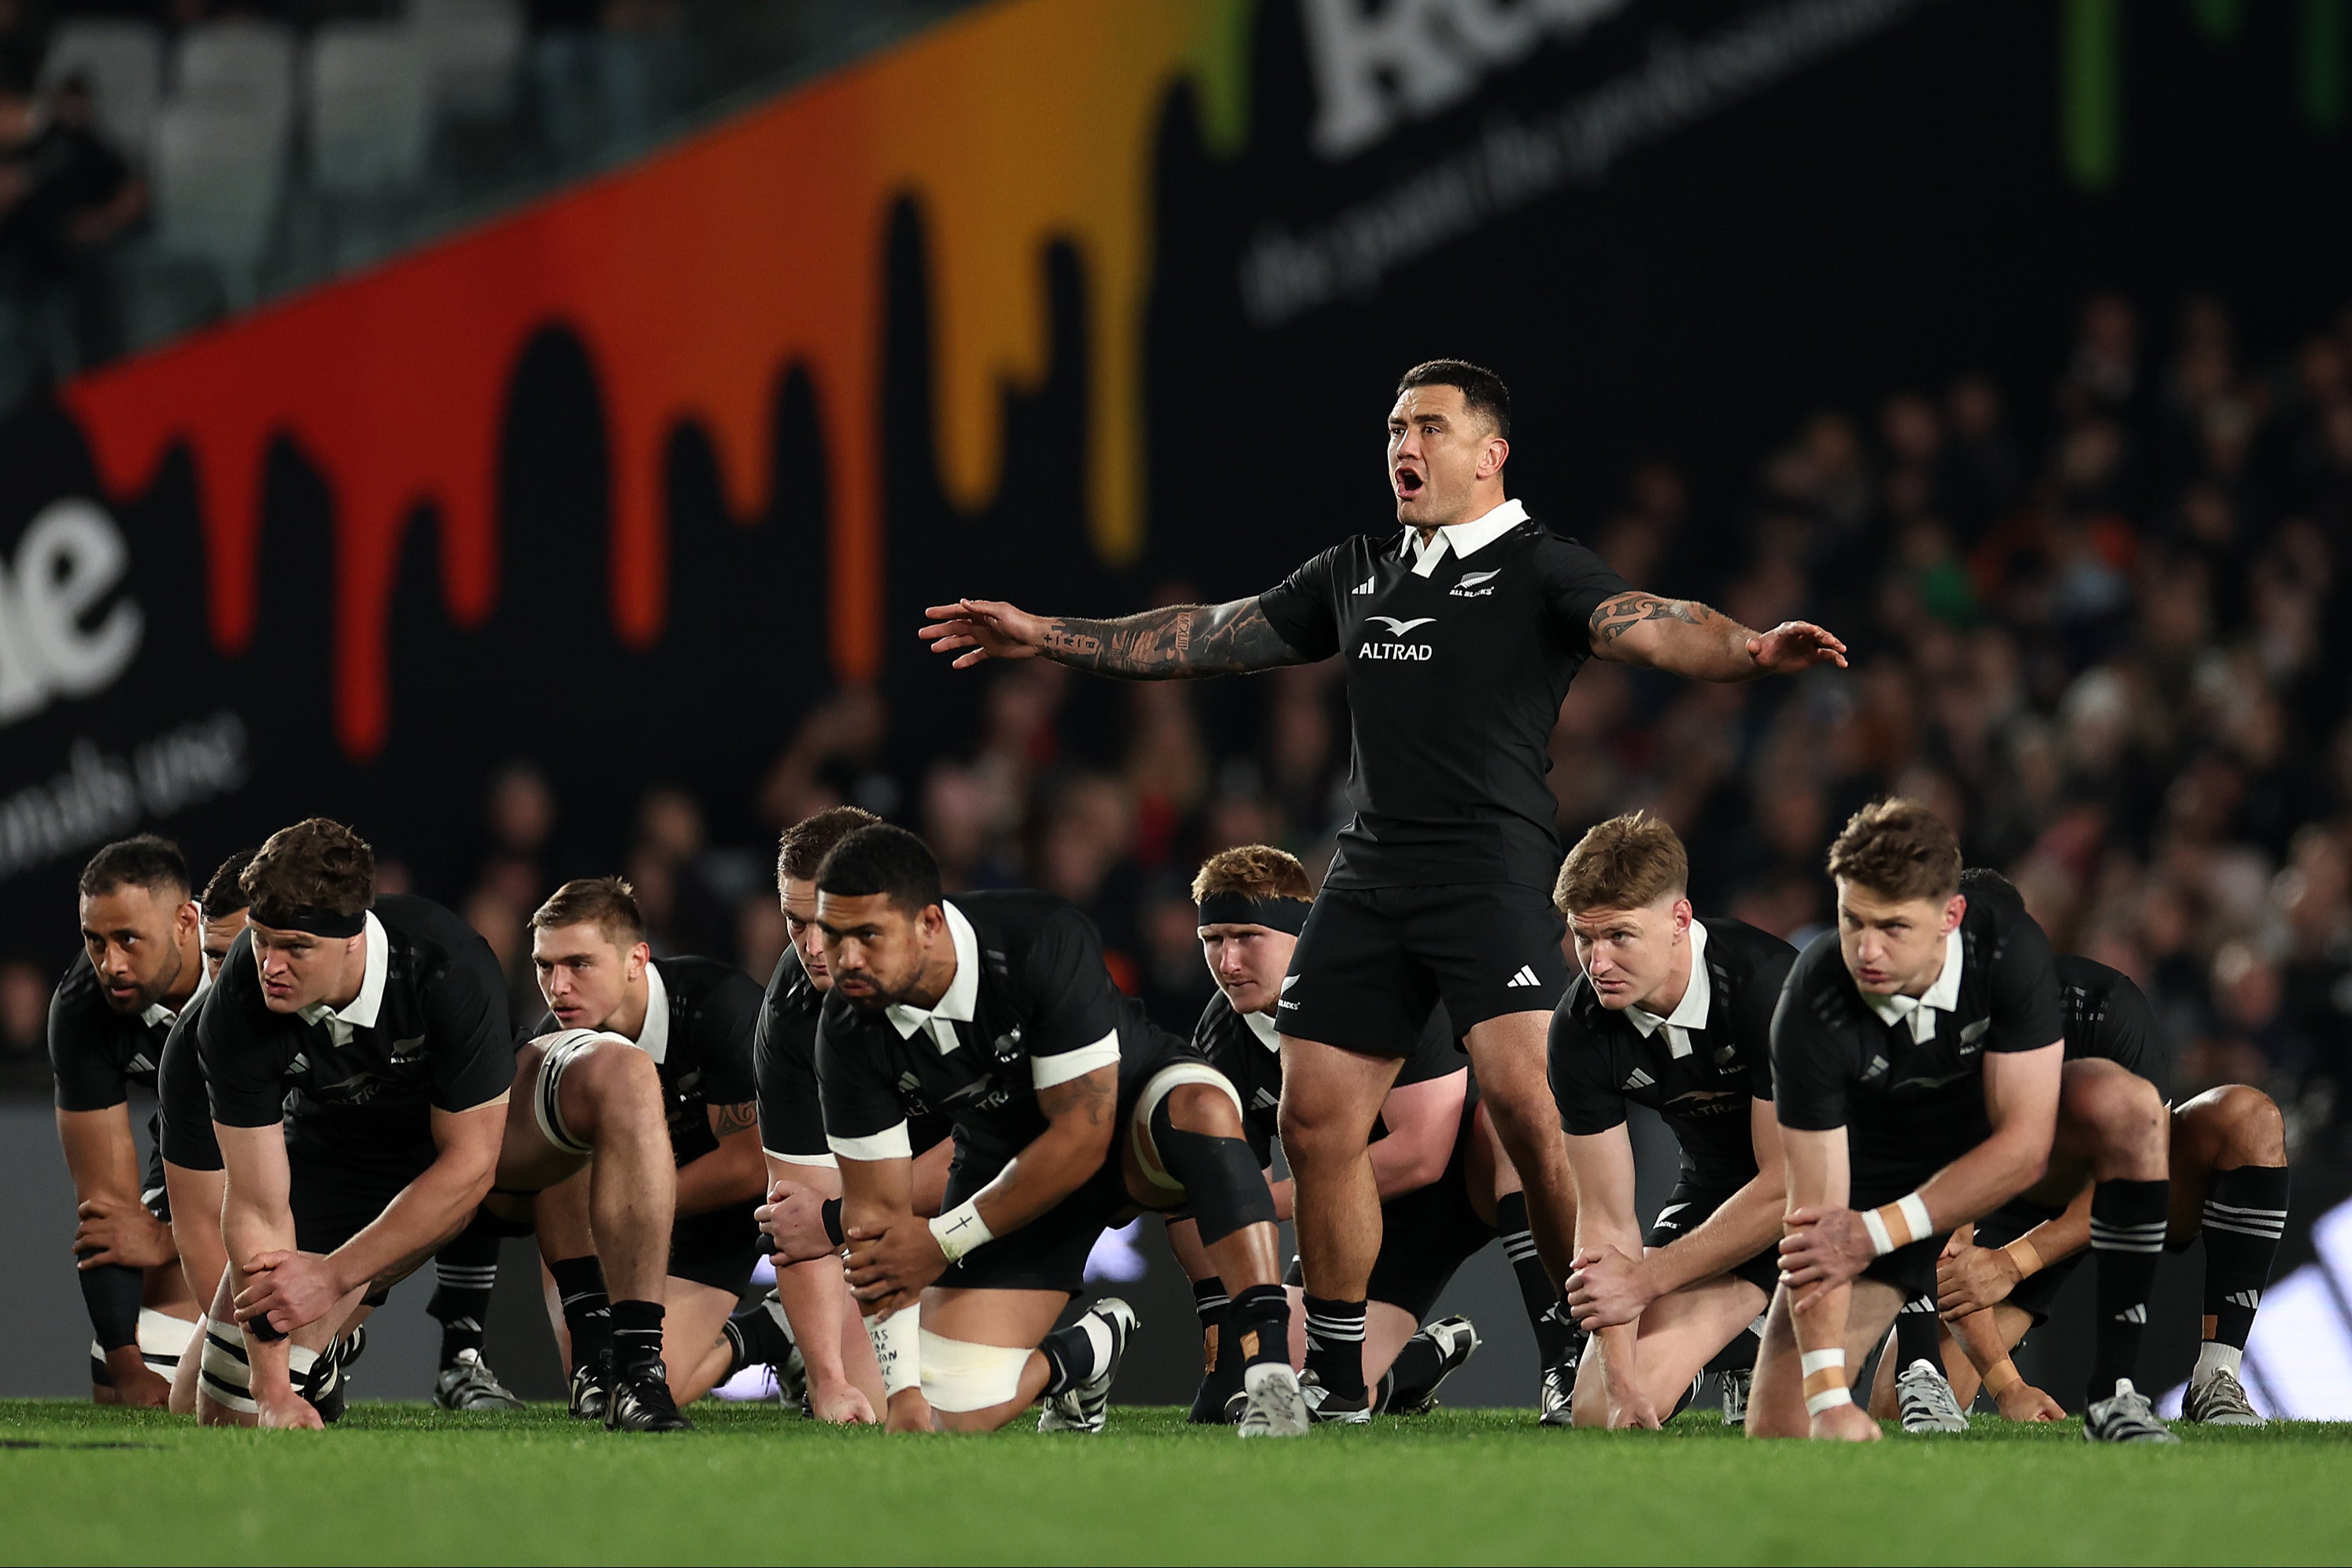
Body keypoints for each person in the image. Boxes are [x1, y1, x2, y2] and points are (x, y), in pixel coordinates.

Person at [920, 359, 1847, 1417]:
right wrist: (1048, 636)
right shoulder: (1358, 567)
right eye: (1397, 428)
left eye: (1432, 428)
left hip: (1489, 867)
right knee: (1317, 1122)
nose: (1406, 447)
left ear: (1491, 453)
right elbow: (1210, 636)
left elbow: (1652, 617)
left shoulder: (1541, 568)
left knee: (1528, 1113)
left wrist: (1747, 649)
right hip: (1367, 874)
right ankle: (1335, 1377)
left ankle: (1573, 1349)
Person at [799, 823, 1307, 1436]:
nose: (842, 958)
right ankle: (1083, 1355)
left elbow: (1081, 1139)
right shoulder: (846, 1029)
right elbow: (877, 1227)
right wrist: (904, 1394)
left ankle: (1270, 1374)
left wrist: (944, 1239)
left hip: (1128, 1121)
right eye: (833, 934)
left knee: (1202, 1105)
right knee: (946, 1416)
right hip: (1005, 1168)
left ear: (929, 924)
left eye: (867, 936)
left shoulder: (1037, 939)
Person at [195, 818, 689, 1433]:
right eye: (262, 940)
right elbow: (257, 1209)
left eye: (296, 947)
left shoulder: (443, 961)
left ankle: (637, 1369)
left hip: (478, 1136)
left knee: (626, 1074)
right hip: (343, 1156)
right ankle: (324, 1355)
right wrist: (270, 1391)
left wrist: (333, 1277)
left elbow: (469, 1168)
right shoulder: (238, 1004)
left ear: (353, 939)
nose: (270, 964)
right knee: (222, 1411)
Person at [1754, 800, 2175, 1444]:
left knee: (2128, 1107)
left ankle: (2114, 1397)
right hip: (1884, 1173)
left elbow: (2025, 1148)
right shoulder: (1810, 1004)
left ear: (1953, 917)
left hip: (1997, 1154)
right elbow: (1817, 1218)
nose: (1867, 950)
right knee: (1781, 1428)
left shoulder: (2009, 952)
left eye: (1894, 927)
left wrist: (1883, 1233)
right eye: (1852, 920)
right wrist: (1828, 1393)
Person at [1867, 868, 2288, 1429]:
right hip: (2009, 1207)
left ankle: (2217, 1377)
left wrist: (2014, 1264)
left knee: (2249, 1119)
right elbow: (1945, 1250)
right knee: (1896, 1412)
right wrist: (2008, 1384)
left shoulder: (2103, 1004)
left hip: (2127, 1191)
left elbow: (2143, 1177)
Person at [1181, 844, 1551, 1421]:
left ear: (1303, 936)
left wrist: (1251, 1205)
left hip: (1463, 1179)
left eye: (1247, 937)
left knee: (1515, 1123)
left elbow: (1424, 1154)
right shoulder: (1222, 1034)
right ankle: (1419, 1364)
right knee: (1283, 1385)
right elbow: (1239, 1191)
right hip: (1353, 1217)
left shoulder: (1381, 984)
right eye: (1213, 940)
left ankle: (1565, 1362)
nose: (1228, 962)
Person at [1548, 814, 1795, 1430]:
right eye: (1583, 937)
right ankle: (1723, 1350)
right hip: (1715, 1191)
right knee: (1597, 1413)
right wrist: (1621, 1379)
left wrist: (1649, 1279)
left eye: (1619, 937)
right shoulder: (1579, 1030)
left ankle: (1751, 1329)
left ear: (1680, 920)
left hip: (1826, 1197)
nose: (1597, 962)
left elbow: (1787, 1183)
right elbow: (1604, 1217)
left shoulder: (1769, 988)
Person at [744, 806, 955, 1432]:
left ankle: (1081, 1349)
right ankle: (797, 1351)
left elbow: (1002, 1149)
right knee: (872, 1404)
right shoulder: (788, 1015)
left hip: (1012, 1188)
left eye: (828, 922)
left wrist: (850, 1212)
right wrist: (828, 1382)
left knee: (969, 1400)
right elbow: (798, 1211)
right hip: (893, 1212)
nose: (812, 947)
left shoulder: (950, 972)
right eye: (794, 922)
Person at [524, 876, 767, 1412]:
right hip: (625, 1218)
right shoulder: (554, 1040)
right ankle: (757, 1335)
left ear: (637, 959)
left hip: (737, 1214)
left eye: (579, 964)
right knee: (610, 1393)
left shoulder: (719, 1007)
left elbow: (751, 1167)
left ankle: (768, 1332)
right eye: (545, 965)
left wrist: (632, 1207)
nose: (558, 986)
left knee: (638, 1388)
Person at [48, 837, 205, 1407]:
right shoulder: (84, 1010)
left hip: (305, 1172)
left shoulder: (256, 972)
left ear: (186, 922)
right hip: (201, 1170)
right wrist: (127, 1364)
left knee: (228, 1375)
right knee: (134, 1376)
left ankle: (323, 1347)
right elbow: (107, 1213)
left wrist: (167, 1241)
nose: (110, 964)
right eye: (95, 941)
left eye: (128, 940)